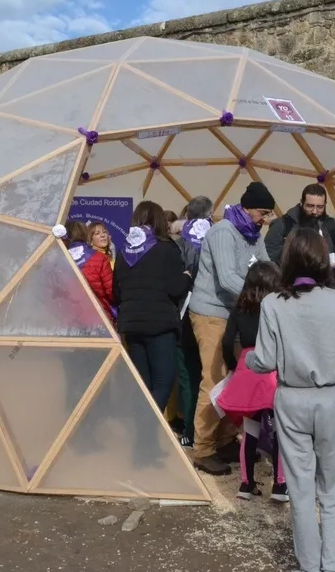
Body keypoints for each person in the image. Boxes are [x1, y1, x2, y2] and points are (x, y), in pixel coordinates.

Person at [248, 227, 335, 572]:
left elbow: (265, 361)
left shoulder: (272, 304)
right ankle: (334, 564)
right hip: (331, 399)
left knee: (299, 489)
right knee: (333, 490)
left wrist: (249, 358)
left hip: (291, 398)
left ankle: (309, 566)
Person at [188, 181, 276, 475]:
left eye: (268, 215)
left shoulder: (254, 234)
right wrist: (263, 301)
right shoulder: (223, 232)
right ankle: (202, 448)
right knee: (213, 379)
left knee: (234, 379)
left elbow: (267, 266)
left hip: (236, 312)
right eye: (262, 213)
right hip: (211, 313)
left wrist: (279, 293)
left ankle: (224, 439)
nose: (265, 219)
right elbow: (226, 279)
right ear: (247, 207)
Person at [215, 261, 288, 502]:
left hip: (247, 367)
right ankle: (279, 486)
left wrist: (234, 367)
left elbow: (227, 342)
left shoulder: (240, 308)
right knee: (279, 430)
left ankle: (246, 485)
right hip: (273, 369)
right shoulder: (279, 306)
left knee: (250, 430)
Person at [113, 201, 192, 411]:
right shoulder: (166, 248)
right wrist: (187, 277)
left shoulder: (123, 253)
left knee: (143, 386)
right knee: (163, 383)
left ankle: (142, 436)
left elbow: (116, 292)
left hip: (131, 325)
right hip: (160, 326)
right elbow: (176, 288)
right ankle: (149, 434)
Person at [172, 196, 214, 448]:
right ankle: (208, 431)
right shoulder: (216, 240)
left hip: (182, 313)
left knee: (187, 374)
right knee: (209, 375)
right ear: (209, 216)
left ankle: (188, 429)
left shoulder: (177, 244)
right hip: (211, 315)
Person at [265, 183, 335, 271]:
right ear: (301, 203)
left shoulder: (333, 226)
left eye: (320, 207)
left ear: (325, 205)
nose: (315, 211)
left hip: (325, 281)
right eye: (310, 206)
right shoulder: (282, 225)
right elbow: (268, 261)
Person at [59, 221, 115, 325]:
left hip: (69, 320)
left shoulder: (59, 261)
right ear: (86, 235)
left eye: (104, 232)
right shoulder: (100, 258)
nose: (103, 235)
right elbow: (112, 292)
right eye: (97, 233)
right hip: (99, 318)